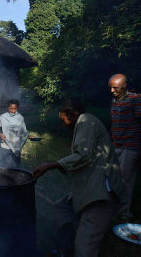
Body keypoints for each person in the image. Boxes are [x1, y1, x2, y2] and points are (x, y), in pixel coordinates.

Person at [33, 101, 127, 257]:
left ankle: (80, 239)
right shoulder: (85, 125)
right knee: (57, 211)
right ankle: (66, 246)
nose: (63, 124)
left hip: (102, 195)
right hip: (87, 189)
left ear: (73, 114)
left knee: (84, 249)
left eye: (63, 120)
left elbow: (83, 156)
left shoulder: (86, 120)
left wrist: (51, 165)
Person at [108, 73, 141, 218]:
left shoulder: (135, 99)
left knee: (126, 181)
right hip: (116, 145)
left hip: (130, 146)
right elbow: (113, 123)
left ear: (124, 86)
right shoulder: (114, 101)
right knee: (113, 177)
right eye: (110, 88)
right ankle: (113, 208)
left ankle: (124, 214)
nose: (112, 91)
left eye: (115, 88)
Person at [0, 99, 28, 168]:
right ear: (7, 107)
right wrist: (0, 134)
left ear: (18, 108)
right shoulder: (3, 117)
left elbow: (23, 132)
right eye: (11, 108)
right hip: (5, 146)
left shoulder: (20, 118)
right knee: (3, 166)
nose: (13, 111)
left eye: (15, 109)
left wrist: (25, 137)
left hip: (16, 147)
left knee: (16, 167)